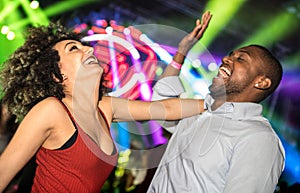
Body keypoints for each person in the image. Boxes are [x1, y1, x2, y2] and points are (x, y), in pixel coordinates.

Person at [0, 11, 212, 193]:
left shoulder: (106, 107)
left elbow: (166, 108)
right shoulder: (52, 110)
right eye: (73, 49)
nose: (90, 49)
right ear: (57, 75)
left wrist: (219, 101)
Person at [147, 12, 285, 193]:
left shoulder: (258, 138)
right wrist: (182, 51)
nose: (227, 59)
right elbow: (160, 107)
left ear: (261, 82)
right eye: (230, 54)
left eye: (241, 58)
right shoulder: (201, 112)